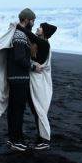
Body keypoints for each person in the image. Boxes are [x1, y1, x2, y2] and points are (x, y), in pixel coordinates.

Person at [5, 8, 44, 151]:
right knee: (18, 110)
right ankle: (16, 141)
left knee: (13, 109)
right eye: (33, 20)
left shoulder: (17, 33)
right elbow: (20, 58)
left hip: (14, 77)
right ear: (27, 20)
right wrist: (34, 67)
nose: (33, 23)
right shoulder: (20, 35)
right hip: (19, 78)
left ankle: (12, 139)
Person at [17, 21, 57, 150]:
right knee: (36, 110)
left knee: (38, 109)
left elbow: (29, 35)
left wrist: (18, 26)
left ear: (44, 31)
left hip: (38, 80)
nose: (38, 29)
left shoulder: (44, 43)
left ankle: (44, 140)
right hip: (34, 78)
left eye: (40, 27)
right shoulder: (40, 44)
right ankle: (41, 138)